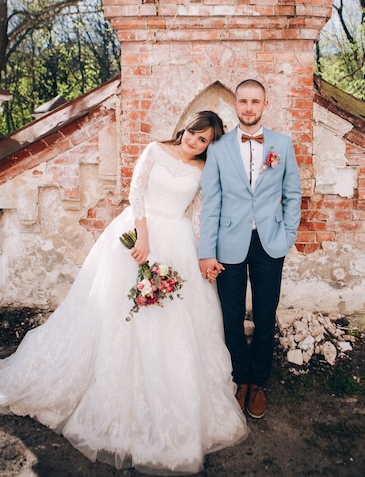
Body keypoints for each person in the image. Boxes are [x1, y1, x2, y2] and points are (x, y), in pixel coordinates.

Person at [0, 111, 248, 475]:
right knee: (116, 312)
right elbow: (136, 191)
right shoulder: (154, 150)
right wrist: (144, 238)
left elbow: (199, 214)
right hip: (138, 233)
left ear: (209, 146)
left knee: (173, 319)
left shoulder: (203, 171)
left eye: (203, 141)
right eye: (193, 134)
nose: (193, 142)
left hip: (178, 242)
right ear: (186, 128)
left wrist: (201, 256)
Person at [198, 80, 302, 420]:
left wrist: (286, 237)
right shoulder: (218, 149)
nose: (248, 107)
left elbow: (293, 194)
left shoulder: (282, 145)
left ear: (264, 104)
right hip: (228, 243)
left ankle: (258, 382)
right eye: (243, 101)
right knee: (230, 317)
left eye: (255, 101)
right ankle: (240, 379)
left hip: (270, 243)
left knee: (264, 315)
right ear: (235, 103)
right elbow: (211, 203)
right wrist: (206, 252)